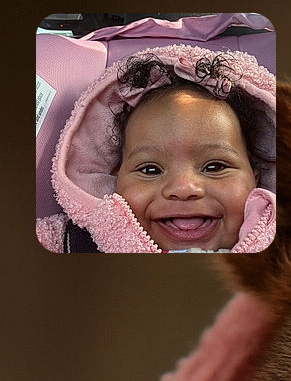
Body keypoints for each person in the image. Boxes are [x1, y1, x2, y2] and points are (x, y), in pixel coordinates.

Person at [37, 45, 275, 253]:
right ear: (115, 180)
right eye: (150, 170)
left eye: (214, 167)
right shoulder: (73, 244)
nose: (183, 188)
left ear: (255, 179)